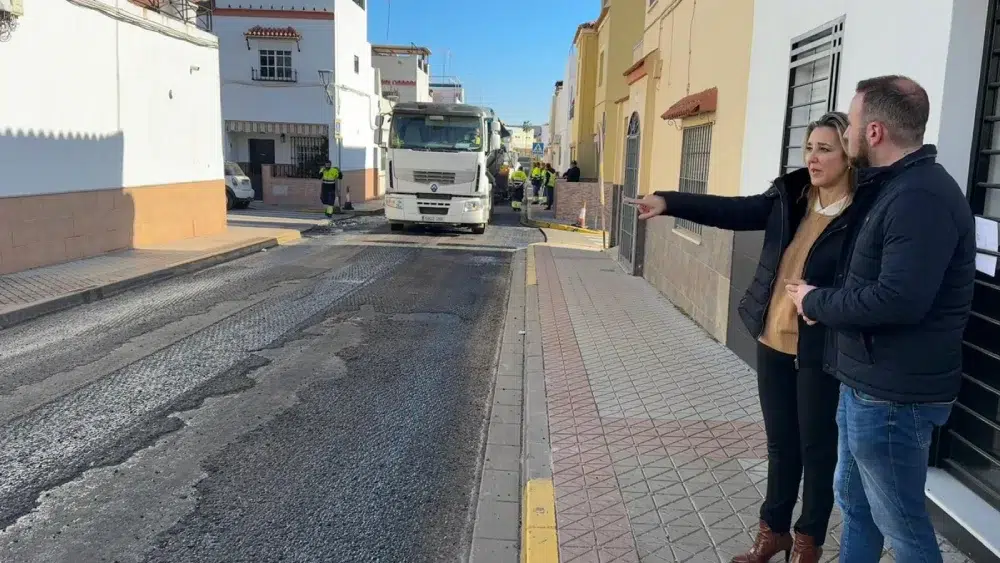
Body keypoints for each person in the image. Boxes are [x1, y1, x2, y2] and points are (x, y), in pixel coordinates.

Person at [628, 112, 879, 563]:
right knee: (781, 443)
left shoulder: (863, 213)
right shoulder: (791, 195)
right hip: (773, 338)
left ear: (849, 156)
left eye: (825, 149)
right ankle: (773, 531)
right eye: (809, 148)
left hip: (821, 348)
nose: (813, 158)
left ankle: (808, 541)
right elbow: (734, 210)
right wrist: (667, 201)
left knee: (816, 447)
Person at [786, 76, 976, 563]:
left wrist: (815, 303)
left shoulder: (920, 197)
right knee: (856, 506)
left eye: (849, 123)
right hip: (866, 383)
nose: (846, 133)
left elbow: (897, 301)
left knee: (902, 523)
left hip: (894, 396)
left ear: (873, 132)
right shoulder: (892, 188)